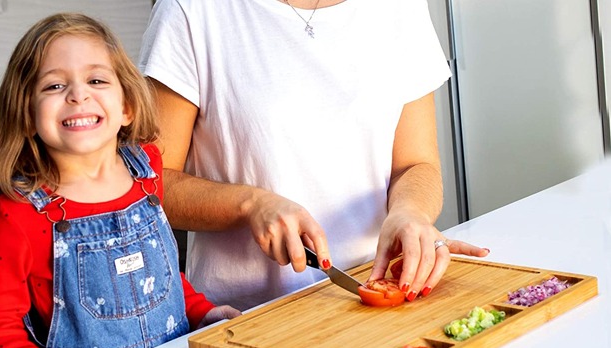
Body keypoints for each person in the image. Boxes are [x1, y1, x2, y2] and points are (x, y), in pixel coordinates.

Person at [138, 0, 489, 312]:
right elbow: (148, 185)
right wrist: (249, 204)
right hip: (245, 317)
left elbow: (417, 164)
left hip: (379, 300)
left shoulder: (400, 8)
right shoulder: (191, 11)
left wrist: (410, 211)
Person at [0, 12, 240, 348]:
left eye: (96, 80)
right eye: (54, 85)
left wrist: (203, 313)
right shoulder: (18, 214)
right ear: (27, 114)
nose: (78, 95)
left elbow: (156, 278)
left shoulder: (148, 174)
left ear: (127, 105)